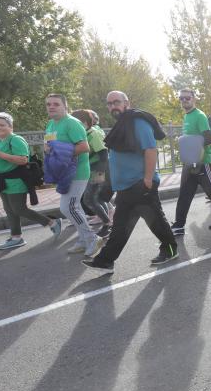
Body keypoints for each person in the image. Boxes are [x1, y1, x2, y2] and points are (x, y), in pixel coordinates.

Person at [83, 91, 178, 271]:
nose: (113, 106)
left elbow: (150, 150)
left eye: (116, 102)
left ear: (127, 102)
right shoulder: (123, 123)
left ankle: (171, 249)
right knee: (121, 226)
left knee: (155, 221)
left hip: (140, 183)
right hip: (127, 185)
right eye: (109, 104)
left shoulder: (137, 122)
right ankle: (105, 261)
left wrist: (148, 180)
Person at [0, 112, 62, 250]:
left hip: (15, 180)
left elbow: (23, 160)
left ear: (10, 126)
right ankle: (16, 237)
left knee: (19, 209)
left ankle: (52, 223)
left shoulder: (16, 140)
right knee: (9, 209)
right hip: (1, 181)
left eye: (2, 125)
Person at [44, 93, 102, 257]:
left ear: (65, 106)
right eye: (48, 104)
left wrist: (60, 153)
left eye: (56, 104)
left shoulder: (72, 123)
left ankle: (92, 238)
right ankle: (83, 240)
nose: (52, 107)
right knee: (72, 207)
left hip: (78, 171)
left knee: (68, 207)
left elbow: (84, 147)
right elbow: (50, 144)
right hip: (64, 171)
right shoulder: (51, 124)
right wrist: (47, 150)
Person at [170, 89, 211, 237]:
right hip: (189, 163)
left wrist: (189, 144)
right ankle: (179, 225)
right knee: (184, 194)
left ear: (194, 99)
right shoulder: (187, 116)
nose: (184, 101)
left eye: (187, 98)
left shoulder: (200, 116)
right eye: (181, 98)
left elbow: (208, 139)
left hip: (202, 162)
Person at [71, 109, 111, 237]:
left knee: (89, 199)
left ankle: (107, 224)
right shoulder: (83, 134)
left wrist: (100, 172)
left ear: (85, 122)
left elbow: (104, 152)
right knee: (96, 198)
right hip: (89, 169)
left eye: (75, 124)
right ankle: (108, 223)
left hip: (97, 169)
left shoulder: (93, 134)